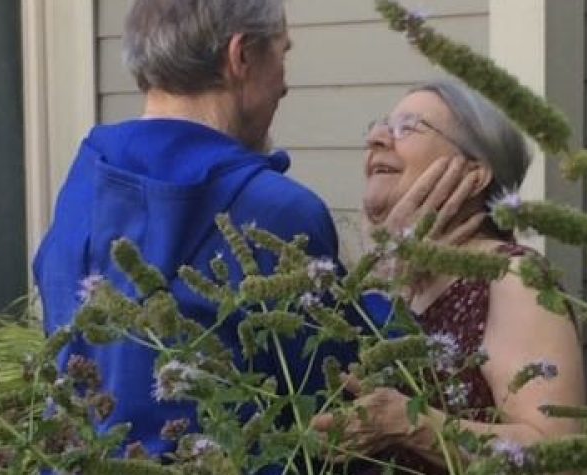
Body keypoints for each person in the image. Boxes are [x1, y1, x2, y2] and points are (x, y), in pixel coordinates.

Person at [33, 0, 480, 468]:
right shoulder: (276, 210)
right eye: (281, 54)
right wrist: (386, 271)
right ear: (241, 55)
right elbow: (341, 410)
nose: (285, 84)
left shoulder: (83, 185)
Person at [311, 78, 586, 473]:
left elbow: (560, 452)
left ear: (473, 173)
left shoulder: (511, 277)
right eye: (380, 126)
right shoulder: (392, 279)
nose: (377, 139)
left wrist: (412, 423)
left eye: (408, 127)